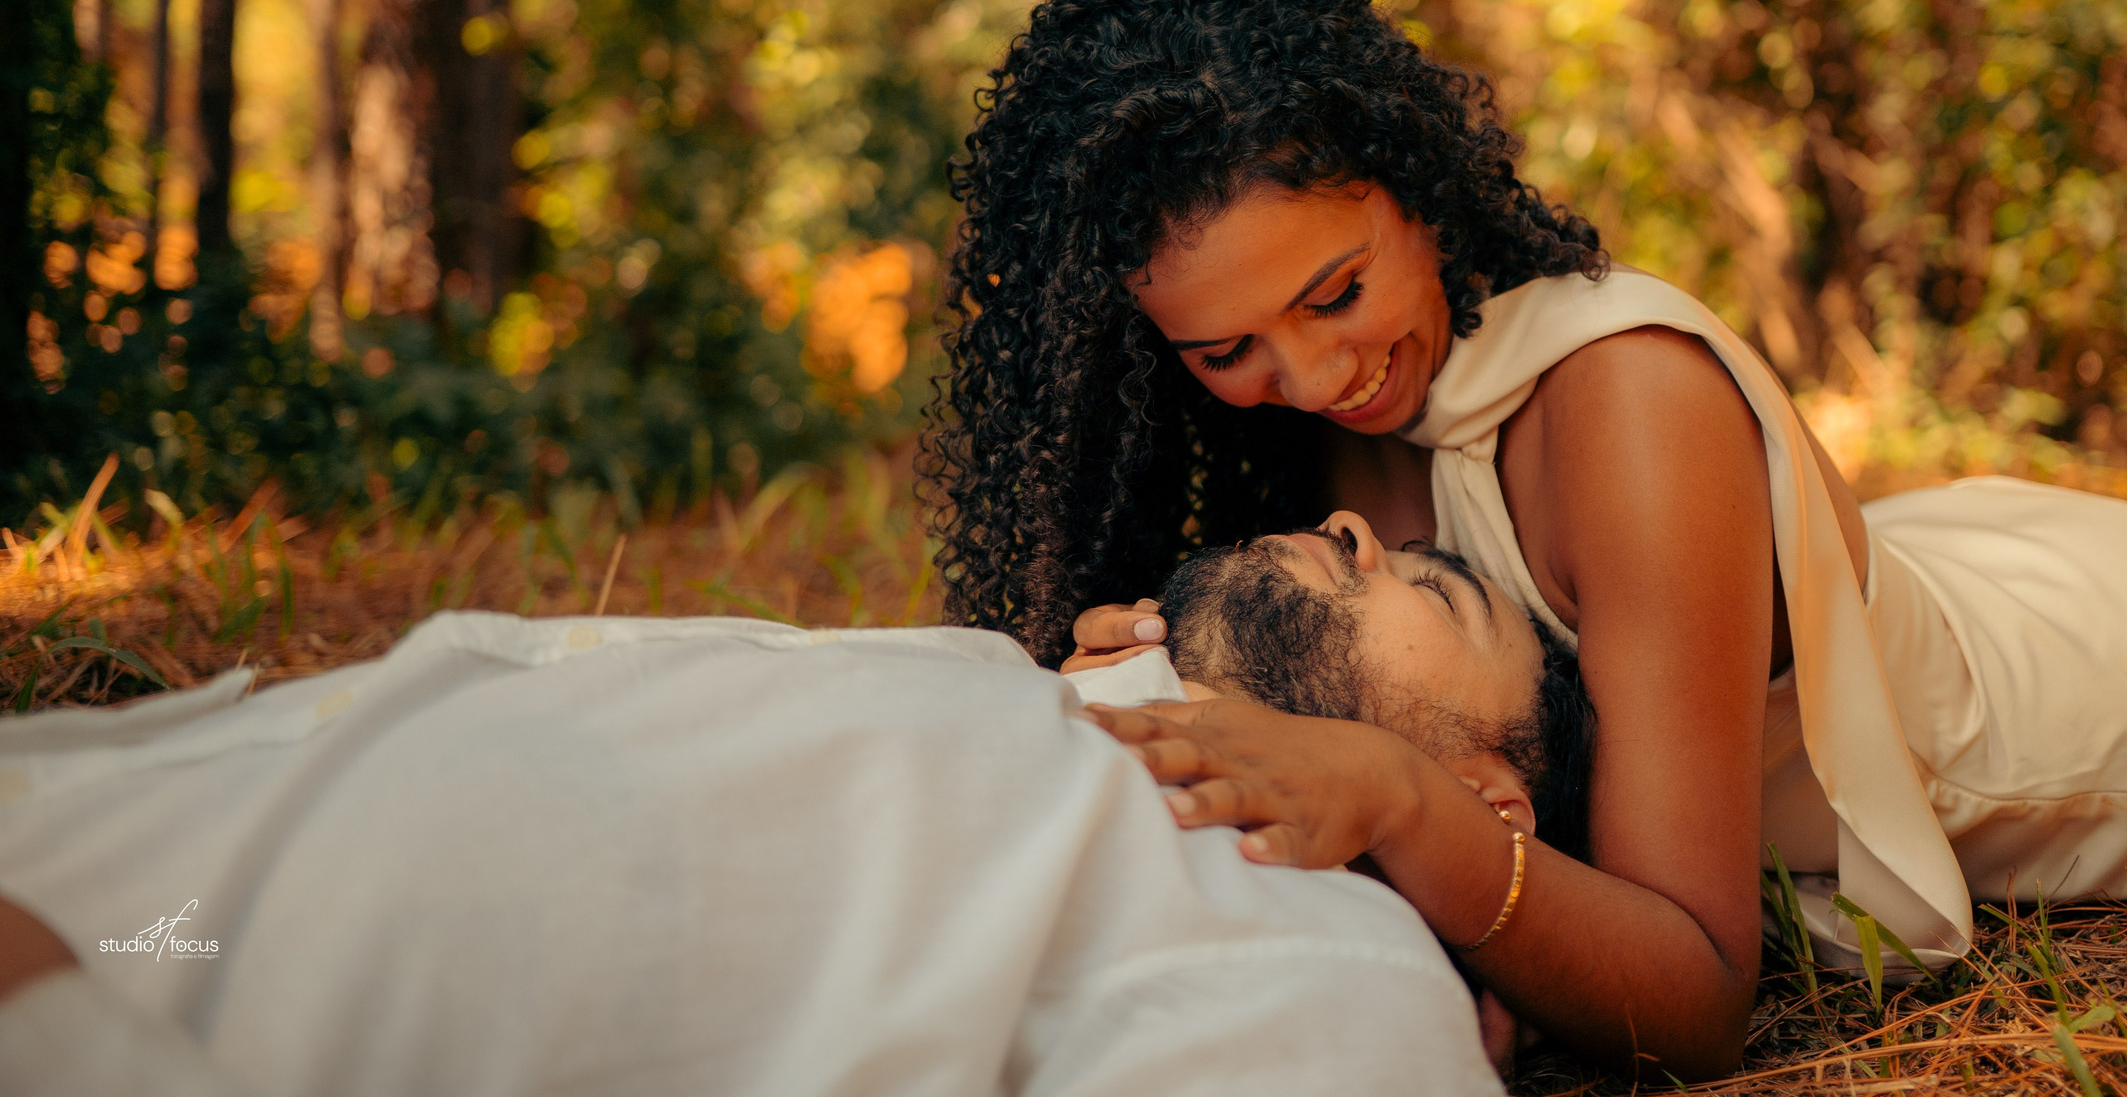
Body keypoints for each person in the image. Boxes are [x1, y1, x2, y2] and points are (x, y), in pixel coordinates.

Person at [930, 0, 2127, 1084]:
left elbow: (1700, 990)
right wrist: (1178, 666)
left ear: (1410, 186)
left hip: (2098, 697)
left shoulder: (1628, 411)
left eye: (1337, 291)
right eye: (1226, 351)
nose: (1313, 373)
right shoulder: (1339, 430)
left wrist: (1401, 803)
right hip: (1959, 580)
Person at [0, 609, 1509, 1097]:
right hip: (126, 828)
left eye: (1438, 585)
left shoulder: (1346, 970)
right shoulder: (1025, 684)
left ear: (1487, 796)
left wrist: (63, 1031)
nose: (1353, 524)